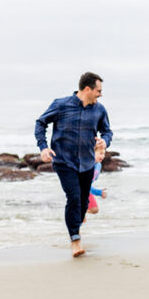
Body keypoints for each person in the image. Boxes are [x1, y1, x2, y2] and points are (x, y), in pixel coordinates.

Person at [35, 72, 112, 258]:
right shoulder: (61, 105)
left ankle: (77, 218)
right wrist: (43, 148)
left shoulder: (99, 110)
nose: (100, 94)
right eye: (98, 91)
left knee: (83, 201)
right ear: (87, 89)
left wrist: (105, 142)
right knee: (74, 198)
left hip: (87, 162)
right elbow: (41, 123)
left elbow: (107, 131)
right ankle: (75, 241)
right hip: (64, 161)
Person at [86, 144, 108, 216]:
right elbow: (85, 185)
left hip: (85, 189)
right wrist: (99, 192)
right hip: (80, 189)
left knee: (93, 210)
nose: (103, 156)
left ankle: (77, 214)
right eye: (101, 153)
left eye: (104, 154)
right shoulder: (86, 165)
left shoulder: (98, 165)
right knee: (94, 209)